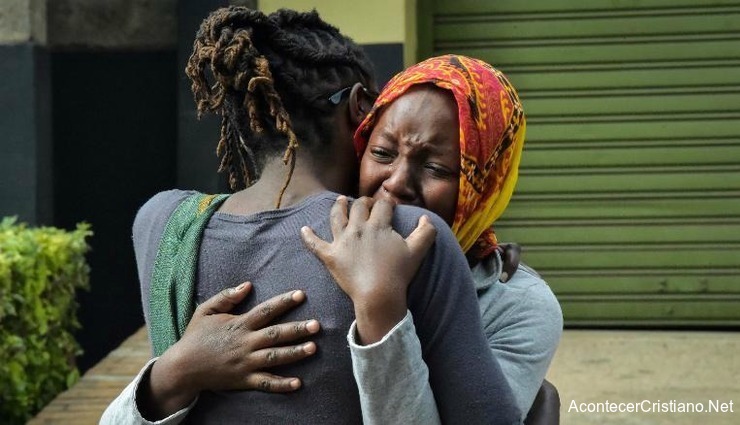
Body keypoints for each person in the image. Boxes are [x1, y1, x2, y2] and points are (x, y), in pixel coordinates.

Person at [101, 6, 519, 425]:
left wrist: (170, 375)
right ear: (360, 107)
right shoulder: (412, 237)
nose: (395, 184)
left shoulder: (163, 221)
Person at [301, 55, 563, 424]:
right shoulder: (309, 251)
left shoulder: (517, 307)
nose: (396, 183)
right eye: (382, 153)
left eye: (435, 168)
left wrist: (382, 309)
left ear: (485, 187)